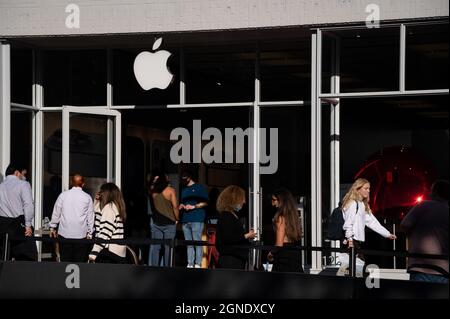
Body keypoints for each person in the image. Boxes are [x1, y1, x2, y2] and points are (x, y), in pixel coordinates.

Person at [341, 178, 396, 269]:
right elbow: (348, 223)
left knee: (354, 268)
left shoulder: (362, 204)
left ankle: (348, 282)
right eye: (365, 188)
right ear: (358, 189)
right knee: (357, 267)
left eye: (369, 188)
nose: (368, 191)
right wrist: (350, 240)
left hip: (357, 241)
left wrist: (387, 234)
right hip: (351, 240)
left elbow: (372, 222)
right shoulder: (353, 203)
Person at [401, 180, 449, 284]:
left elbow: (404, 225)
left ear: (434, 192)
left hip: (419, 267)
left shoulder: (423, 206)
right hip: (444, 269)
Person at [49, 174, 94, 262]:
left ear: (71, 182)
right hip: (81, 236)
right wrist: (90, 233)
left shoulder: (63, 195)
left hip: (64, 234)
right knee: (80, 263)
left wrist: (52, 227)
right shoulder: (87, 197)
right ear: (83, 184)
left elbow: (56, 213)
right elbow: (90, 217)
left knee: (65, 262)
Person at [0, 164, 37, 261]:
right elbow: (28, 204)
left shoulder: (1, 186)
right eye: (22, 174)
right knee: (27, 261)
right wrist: (28, 224)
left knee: (4, 259)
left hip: (3, 226)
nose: (23, 177)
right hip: (19, 226)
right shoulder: (23, 184)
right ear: (17, 173)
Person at [215, 185, 256, 269]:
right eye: (242, 198)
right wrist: (247, 235)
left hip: (235, 260)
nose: (244, 201)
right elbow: (229, 238)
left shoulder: (231, 215)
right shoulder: (226, 216)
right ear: (234, 199)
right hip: (230, 261)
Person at [89, 183, 127, 264]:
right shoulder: (115, 206)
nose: (100, 193)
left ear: (107, 193)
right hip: (115, 252)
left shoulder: (109, 209)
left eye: (102, 191)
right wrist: (97, 202)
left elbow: (105, 233)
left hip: (109, 253)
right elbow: (98, 218)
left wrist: (93, 253)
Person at [267, 188, 303, 273]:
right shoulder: (294, 216)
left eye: (274, 200)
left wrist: (271, 253)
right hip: (294, 254)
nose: (272, 203)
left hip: (283, 256)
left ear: (281, 200)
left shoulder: (280, 217)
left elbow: (279, 243)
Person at [148, 173, 179, 267]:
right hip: (169, 222)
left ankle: (154, 268)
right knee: (168, 248)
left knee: (155, 247)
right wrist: (177, 218)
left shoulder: (153, 191)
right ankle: (167, 268)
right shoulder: (171, 191)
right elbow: (175, 207)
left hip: (156, 222)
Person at [179, 170, 208, 268]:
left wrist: (194, 206)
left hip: (197, 218)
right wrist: (182, 205)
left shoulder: (199, 187)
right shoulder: (183, 189)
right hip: (185, 219)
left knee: (197, 242)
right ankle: (190, 263)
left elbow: (205, 203)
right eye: (182, 178)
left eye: (185, 178)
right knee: (189, 243)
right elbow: (183, 202)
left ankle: (198, 263)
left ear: (190, 177)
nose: (183, 180)